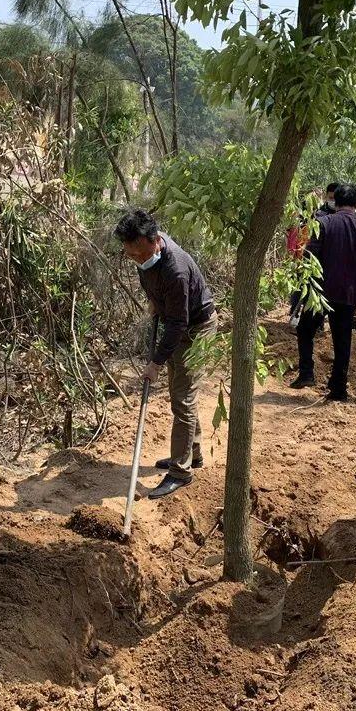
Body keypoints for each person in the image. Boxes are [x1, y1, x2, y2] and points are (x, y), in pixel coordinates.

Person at [115, 210, 217, 499]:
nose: (136, 260)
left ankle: (181, 472)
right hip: (178, 321)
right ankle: (191, 454)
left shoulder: (176, 269)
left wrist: (155, 363)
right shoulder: (145, 255)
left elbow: (178, 324)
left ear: (155, 240)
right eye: (130, 255)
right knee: (180, 393)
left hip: (197, 328)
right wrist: (154, 302)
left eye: (139, 254)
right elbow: (156, 291)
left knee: (182, 398)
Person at [289, 183, 356, 401]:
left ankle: (307, 373)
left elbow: (310, 257)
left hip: (320, 292)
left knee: (306, 330)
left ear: (334, 202)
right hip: (347, 296)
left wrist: (302, 291)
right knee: (342, 340)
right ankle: (338, 388)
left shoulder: (323, 223)